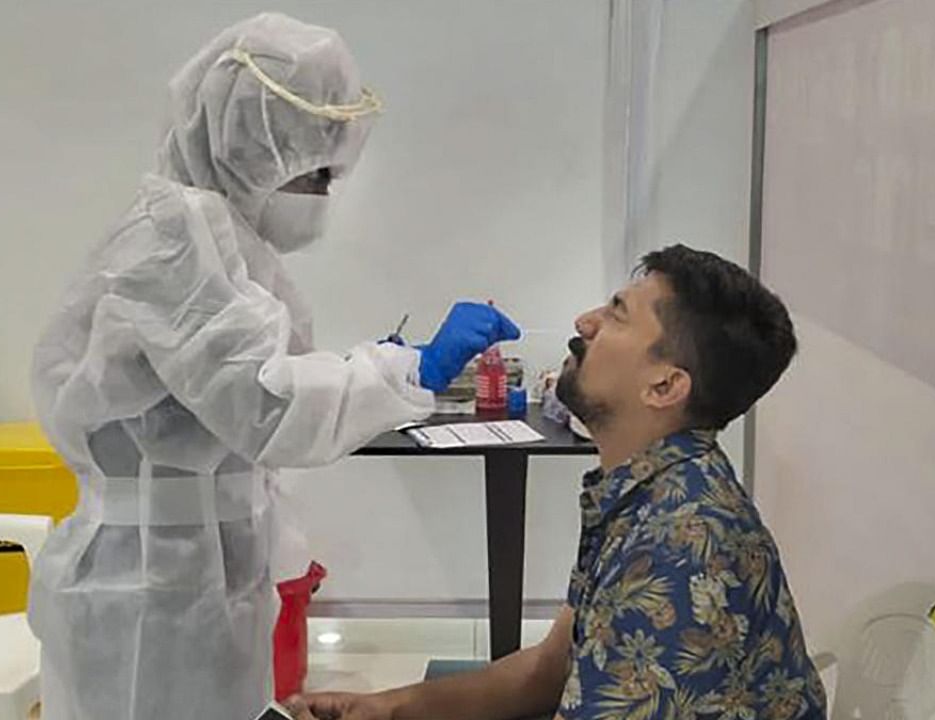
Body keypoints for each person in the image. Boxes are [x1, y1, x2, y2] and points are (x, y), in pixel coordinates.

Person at [28, 13, 519, 720]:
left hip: (198, 573)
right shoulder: (173, 238)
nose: (323, 193)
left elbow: (249, 372)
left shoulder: (228, 239)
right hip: (142, 591)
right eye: (313, 172)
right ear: (248, 149)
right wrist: (409, 369)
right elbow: (266, 405)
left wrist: (368, 365)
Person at [287, 245, 826, 720]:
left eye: (617, 315)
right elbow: (551, 668)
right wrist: (387, 708)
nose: (585, 322)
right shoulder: (642, 492)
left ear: (664, 385)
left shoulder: (680, 548)